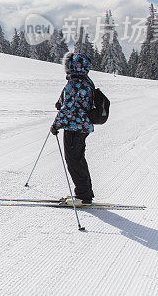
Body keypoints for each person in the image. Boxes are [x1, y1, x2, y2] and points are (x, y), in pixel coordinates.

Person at [51, 52, 95, 205]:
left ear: (74, 66)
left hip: (74, 127)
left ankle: (83, 196)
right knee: (78, 159)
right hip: (82, 126)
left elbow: (68, 109)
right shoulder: (84, 81)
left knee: (74, 160)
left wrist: (56, 124)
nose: (66, 68)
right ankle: (85, 192)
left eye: (68, 64)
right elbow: (71, 101)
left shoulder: (75, 83)